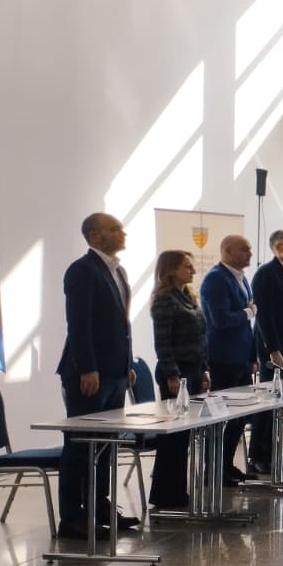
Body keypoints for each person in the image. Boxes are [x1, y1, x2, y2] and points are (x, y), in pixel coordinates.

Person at [56, 213, 139, 539]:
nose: (123, 233)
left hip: (115, 372)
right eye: (115, 229)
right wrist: (87, 367)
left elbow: (123, 324)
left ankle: (100, 507)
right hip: (88, 374)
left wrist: (127, 364)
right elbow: (79, 323)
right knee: (80, 446)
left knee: (106, 446)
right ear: (94, 236)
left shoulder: (118, 270)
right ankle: (72, 517)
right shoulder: (82, 270)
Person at [148, 250, 210, 511]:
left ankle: (177, 490)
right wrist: (172, 374)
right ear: (171, 270)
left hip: (193, 369)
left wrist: (204, 369)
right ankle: (166, 493)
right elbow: (162, 342)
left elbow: (200, 338)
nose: (193, 271)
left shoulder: (188, 297)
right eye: (187, 267)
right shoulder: (165, 299)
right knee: (173, 437)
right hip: (175, 373)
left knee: (184, 435)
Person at [200, 234, 257, 485]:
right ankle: (213, 469)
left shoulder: (242, 278)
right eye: (244, 249)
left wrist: (252, 355)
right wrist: (247, 312)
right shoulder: (216, 279)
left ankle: (226, 464)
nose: (249, 254)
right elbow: (220, 320)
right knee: (221, 417)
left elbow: (248, 326)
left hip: (241, 359)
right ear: (228, 251)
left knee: (239, 416)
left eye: (250, 249)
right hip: (222, 359)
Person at [250, 229, 283, 475]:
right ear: (278, 248)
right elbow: (264, 315)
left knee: (279, 405)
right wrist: (273, 349)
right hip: (274, 351)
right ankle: (258, 457)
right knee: (268, 404)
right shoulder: (266, 274)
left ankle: (272, 454)